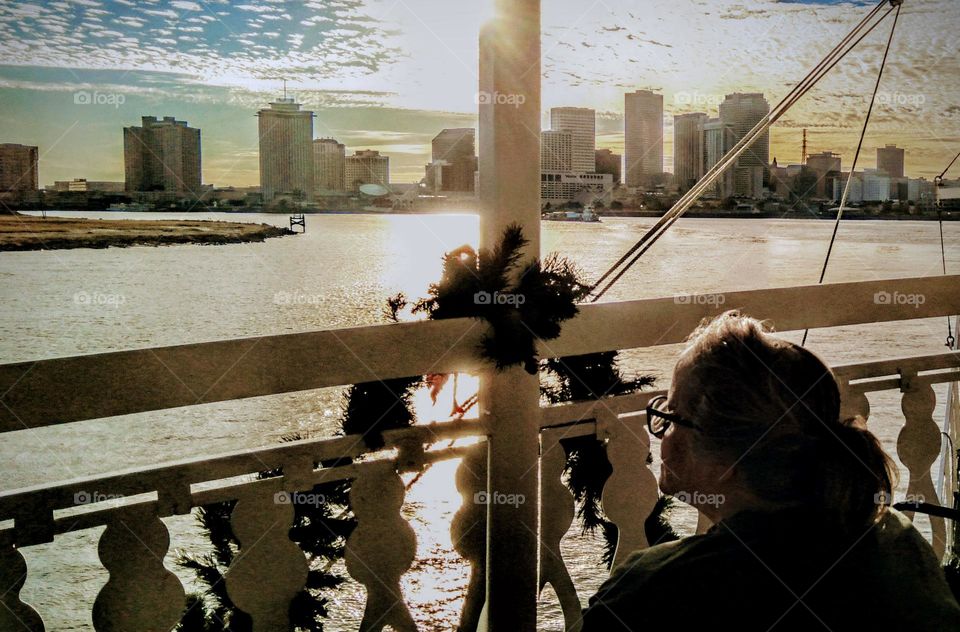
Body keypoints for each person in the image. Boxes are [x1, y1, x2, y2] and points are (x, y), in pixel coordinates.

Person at [581, 311, 960, 631]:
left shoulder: (653, 592)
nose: (661, 432)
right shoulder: (897, 541)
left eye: (672, 416)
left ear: (728, 461)